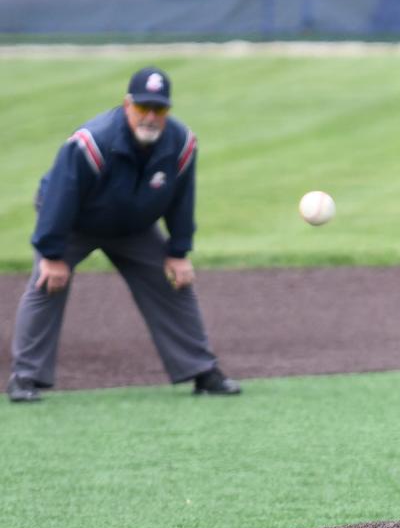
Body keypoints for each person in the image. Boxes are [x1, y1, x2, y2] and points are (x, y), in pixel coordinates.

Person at [6, 66, 241, 403]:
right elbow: (60, 196)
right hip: (73, 221)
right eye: (143, 107)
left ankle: (203, 372)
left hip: (133, 228)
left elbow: (181, 199)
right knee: (47, 283)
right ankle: (25, 377)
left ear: (167, 110)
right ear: (127, 104)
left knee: (173, 283)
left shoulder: (181, 144)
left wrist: (178, 251)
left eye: (158, 109)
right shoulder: (92, 142)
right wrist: (52, 255)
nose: (150, 116)